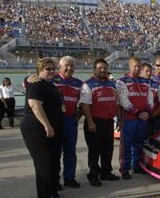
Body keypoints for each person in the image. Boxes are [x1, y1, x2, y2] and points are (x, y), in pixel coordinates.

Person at [21, 58, 64, 198]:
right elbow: (35, 106)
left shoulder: (49, 84)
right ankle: (50, 193)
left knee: (52, 160)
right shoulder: (36, 84)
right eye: (48, 69)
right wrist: (47, 125)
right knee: (45, 161)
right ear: (40, 70)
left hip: (50, 128)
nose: (52, 71)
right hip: (37, 129)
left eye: (53, 68)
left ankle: (46, 190)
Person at [79, 58, 120, 187]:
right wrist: (90, 122)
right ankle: (93, 175)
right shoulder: (88, 84)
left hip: (108, 122)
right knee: (94, 151)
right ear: (94, 69)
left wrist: (118, 119)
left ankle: (106, 172)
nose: (103, 70)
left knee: (108, 149)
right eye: (100, 68)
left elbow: (116, 103)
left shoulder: (112, 84)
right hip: (95, 122)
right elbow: (84, 105)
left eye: (105, 68)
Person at [117, 57, 153, 179]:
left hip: (142, 119)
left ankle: (136, 166)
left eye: (139, 66)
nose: (137, 69)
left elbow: (150, 100)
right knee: (126, 145)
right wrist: (138, 113)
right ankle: (124, 169)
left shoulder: (145, 82)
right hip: (129, 119)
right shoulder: (122, 81)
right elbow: (124, 101)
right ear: (129, 66)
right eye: (135, 66)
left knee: (139, 144)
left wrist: (147, 112)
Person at [52, 56, 83, 189]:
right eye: (67, 65)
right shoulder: (51, 79)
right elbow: (28, 84)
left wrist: (76, 119)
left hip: (71, 121)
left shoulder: (79, 83)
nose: (69, 68)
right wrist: (29, 78)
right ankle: (54, 180)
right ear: (60, 66)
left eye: (72, 66)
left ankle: (69, 178)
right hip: (55, 121)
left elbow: (83, 103)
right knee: (55, 153)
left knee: (70, 152)